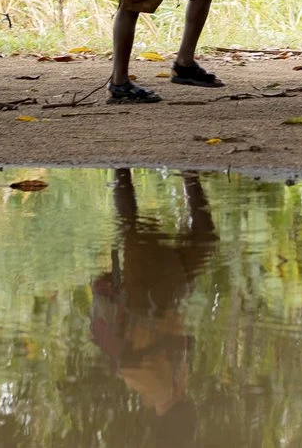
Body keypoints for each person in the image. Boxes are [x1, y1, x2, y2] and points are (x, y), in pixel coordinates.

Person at [89, 169, 218, 444]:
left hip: (149, 300)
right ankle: (189, 176)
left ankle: (123, 169)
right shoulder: (177, 389)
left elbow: (125, 365)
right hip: (168, 296)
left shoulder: (157, 393)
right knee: (205, 240)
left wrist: (166, 346)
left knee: (133, 230)